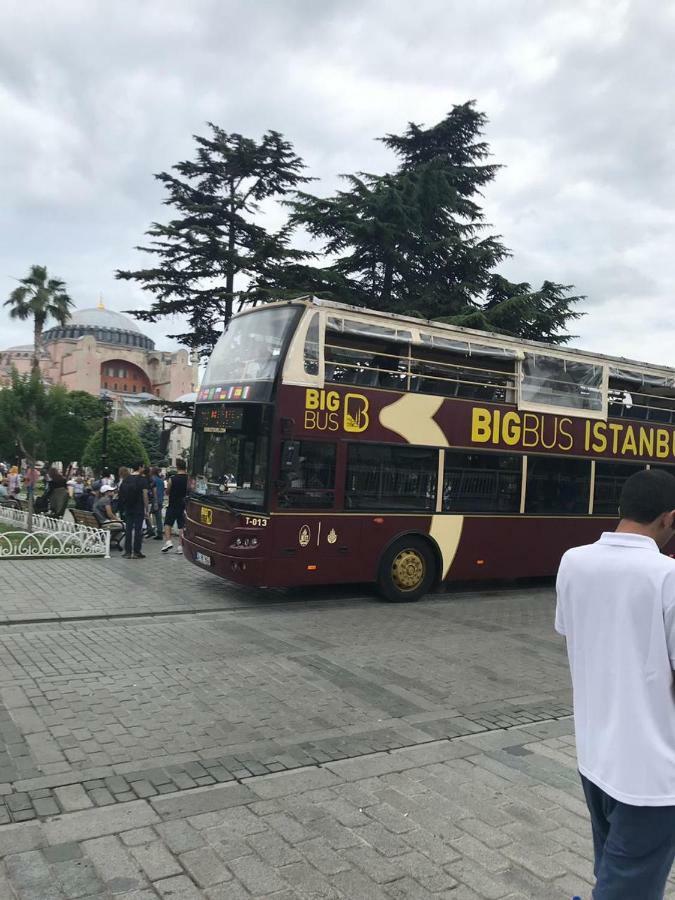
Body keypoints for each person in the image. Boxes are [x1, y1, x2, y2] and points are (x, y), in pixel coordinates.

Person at [555, 468, 675, 899]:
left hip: (595, 759)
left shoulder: (573, 561)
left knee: (611, 872)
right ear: (669, 518)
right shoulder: (666, 576)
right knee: (627, 890)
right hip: (651, 775)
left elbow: (579, 637)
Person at [117, 463, 149, 559]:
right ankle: (136, 552)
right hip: (138, 507)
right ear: (139, 467)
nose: (143, 468)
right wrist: (146, 508)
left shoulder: (126, 479)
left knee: (128, 529)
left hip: (128, 507)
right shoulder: (142, 480)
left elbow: (121, 494)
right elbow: (145, 495)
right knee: (138, 530)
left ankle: (127, 551)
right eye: (142, 466)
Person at [162, 458, 188, 554]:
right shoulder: (188, 479)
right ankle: (180, 546)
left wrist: (168, 491)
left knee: (168, 523)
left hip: (173, 504)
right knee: (181, 525)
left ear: (177, 467)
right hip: (184, 505)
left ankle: (168, 541)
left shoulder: (172, 479)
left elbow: (167, 491)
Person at [150, 466, 165, 539]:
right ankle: (160, 532)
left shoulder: (153, 480)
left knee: (147, 516)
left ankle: (150, 530)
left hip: (154, 500)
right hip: (160, 500)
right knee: (158, 517)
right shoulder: (161, 480)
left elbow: (153, 491)